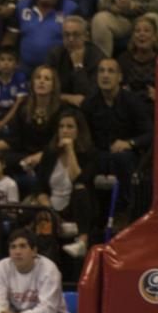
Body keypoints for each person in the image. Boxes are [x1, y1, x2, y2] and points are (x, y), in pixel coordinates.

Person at [82, 58, 153, 222]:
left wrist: (129, 143)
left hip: (126, 156)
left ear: (120, 77)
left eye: (110, 71)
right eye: (101, 71)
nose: (105, 75)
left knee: (123, 158)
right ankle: (89, 220)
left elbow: (149, 133)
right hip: (98, 155)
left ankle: (124, 213)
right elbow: (84, 136)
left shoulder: (133, 102)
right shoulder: (89, 104)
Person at [0, 65, 65, 190]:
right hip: (24, 155)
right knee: (1, 160)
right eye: (38, 78)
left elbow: (60, 141)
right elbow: (13, 139)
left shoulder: (62, 110)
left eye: (47, 79)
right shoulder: (24, 107)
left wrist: (41, 156)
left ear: (54, 85)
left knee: (49, 163)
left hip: (49, 155)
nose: (41, 81)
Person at [33, 110, 97, 259]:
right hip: (52, 207)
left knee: (80, 189)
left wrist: (70, 150)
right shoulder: (49, 153)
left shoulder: (89, 153)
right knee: (39, 217)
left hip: (77, 207)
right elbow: (40, 186)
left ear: (79, 130)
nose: (65, 131)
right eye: (61, 127)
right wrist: (48, 209)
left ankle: (82, 240)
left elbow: (79, 178)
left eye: (70, 127)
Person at [4, 0, 80, 72]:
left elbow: (79, 45)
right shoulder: (22, 6)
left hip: (58, 71)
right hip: (24, 70)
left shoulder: (71, 9)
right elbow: (10, 38)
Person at [46, 15, 103, 107]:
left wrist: (78, 66)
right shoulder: (55, 55)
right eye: (67, 35)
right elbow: (46, 89)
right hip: (59, 105)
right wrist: (68, 98)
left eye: (76, 35)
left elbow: (90, 95)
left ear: (85, 36)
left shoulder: (96, 56)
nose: (71, 39)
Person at [117, 14, 158, 108]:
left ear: (155, 37)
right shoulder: (124, 59)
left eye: (147, 31)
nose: (141, 34)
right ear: (133, 37)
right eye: (137, 31)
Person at [0, 46, 29, 132]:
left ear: (17, 64)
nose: (6, 63)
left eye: (10, 60)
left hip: (15, 111)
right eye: (2, 60)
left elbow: (18, 103)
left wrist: (3, 122)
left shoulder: (20, 78)